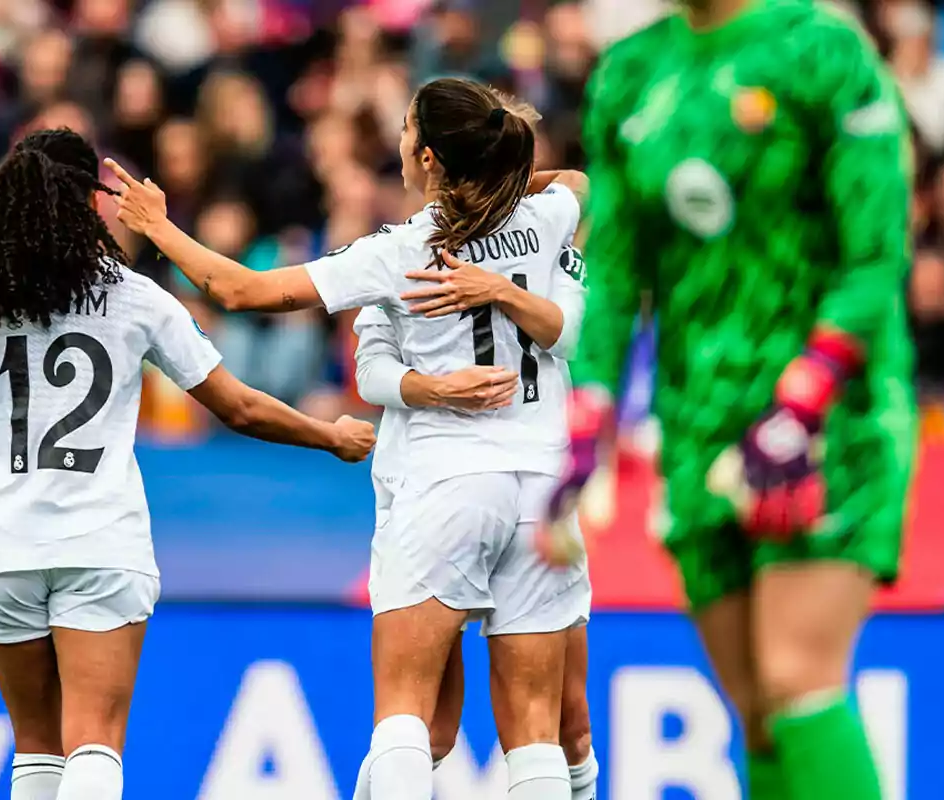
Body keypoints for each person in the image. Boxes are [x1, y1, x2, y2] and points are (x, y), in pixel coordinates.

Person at [108, 76, 590, 800]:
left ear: (428, 157)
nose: (395, 145)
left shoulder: (402, 251)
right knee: (535, 732)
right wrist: (498, 176)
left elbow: (243, 291)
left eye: (405, 132)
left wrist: (157, 226)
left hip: (446, 482)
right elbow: (577, 180)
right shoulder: (548, 216)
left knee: (405, 714)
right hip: (544, 489)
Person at [0, 128, 375, 800]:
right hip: (100, 540)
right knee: (93, 737)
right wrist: (331, 435)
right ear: (94, 202)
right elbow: (237, 408)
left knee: (35, 743)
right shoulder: (136, 297)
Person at [540, 2, 916, 800]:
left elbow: (876, 254)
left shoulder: (820, 52)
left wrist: (804, 403)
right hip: (696, 423)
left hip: (834, 417)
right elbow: (613, 272)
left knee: (797, 676)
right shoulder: (630, 74)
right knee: (753, 708)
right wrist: (589, 410)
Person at [352, 241, 598, 800]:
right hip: (440, 483)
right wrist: (433, 388)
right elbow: (372, 366)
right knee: (433, 730)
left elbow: (575, 332)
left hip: (536, 482)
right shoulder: (406, 245)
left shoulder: (549, 231)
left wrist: (501, 289)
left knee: (566, 725)